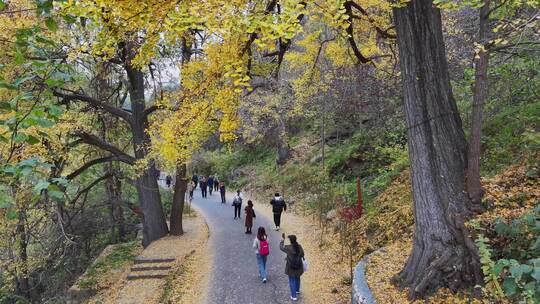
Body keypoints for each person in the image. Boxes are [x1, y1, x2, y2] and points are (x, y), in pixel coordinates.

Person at [280, 234, 304, 301]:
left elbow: (281, 247)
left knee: (292, 280)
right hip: (299, 266)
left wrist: (282, 240)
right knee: (297, 277)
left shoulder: (288, 248)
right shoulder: (299, 246)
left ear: (290, 241)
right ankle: (297, 290)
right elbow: (302, 254)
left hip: (291, 267)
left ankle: (294, 296)